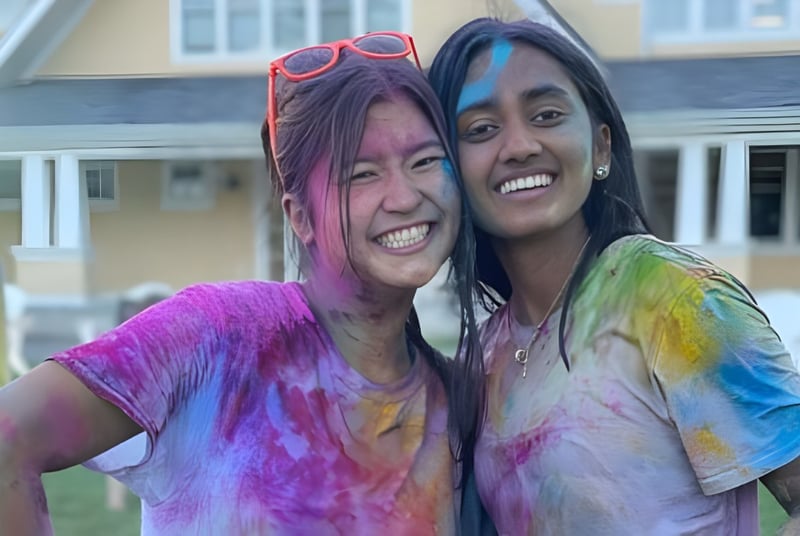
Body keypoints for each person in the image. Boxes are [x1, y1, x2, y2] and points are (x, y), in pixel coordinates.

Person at [0, 31, 483, 534]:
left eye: (425, 161)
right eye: (362, 174)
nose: (405, 197)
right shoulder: (220, 336)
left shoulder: (457, 403)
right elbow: (8, 435)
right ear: (301, 217)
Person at [428, 17, 800, 535]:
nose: (518, 146)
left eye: (547, 114)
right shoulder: (481, 358)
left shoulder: (671, 297)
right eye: (481, 129)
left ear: (601, 147)